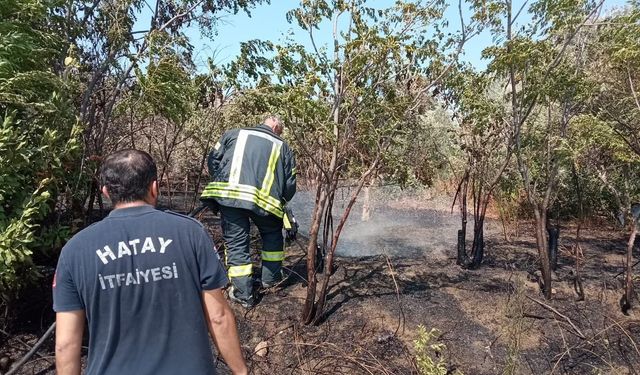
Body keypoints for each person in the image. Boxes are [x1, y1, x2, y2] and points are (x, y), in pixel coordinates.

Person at [53, 150, 248, 375]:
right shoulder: (190, 233)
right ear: (154, 188)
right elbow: (219, 317)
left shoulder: (75, 250)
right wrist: (241, 371)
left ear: (106, 193)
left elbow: (65, 344)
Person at [200, 115, 296, 308]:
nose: (279, 134)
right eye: (280, 130)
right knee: (272, 238)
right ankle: (272, 280)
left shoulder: (233, 134)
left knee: (236, 244)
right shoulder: (282, 146)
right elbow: (289, 183)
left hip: (231, 200)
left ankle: (243, 294)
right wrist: (282, 200)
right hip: (266, 204)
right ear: (275, 125)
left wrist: (221, 182)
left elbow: (213, 159)